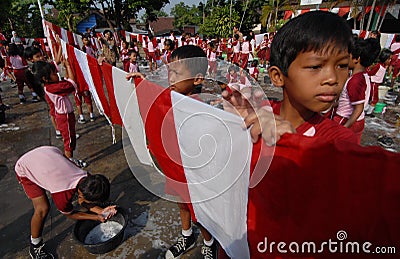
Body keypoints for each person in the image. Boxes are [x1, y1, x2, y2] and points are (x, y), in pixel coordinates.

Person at [127, 45, 218, 259]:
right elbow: (155, 99)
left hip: (195, 173)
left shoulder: (201, 106)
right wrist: (143, 82)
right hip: (174, 167)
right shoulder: (169, 96)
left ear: (197, 79)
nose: (170, 77)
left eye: (176, 73)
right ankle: (186, 235)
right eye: (169, 71)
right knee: (181, 202)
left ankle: (209, 241)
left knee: (199, 212)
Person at [224, 11, 358, 145]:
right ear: (277, 76)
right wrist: (234, 125)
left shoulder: (339, 142)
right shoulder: (257, 111)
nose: (332, 79)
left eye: (342, 66)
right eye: (315, 67)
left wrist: (293, 146)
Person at [14, 145, 117, 259]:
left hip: (48, 153)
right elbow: (71, 214)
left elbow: (83, 200)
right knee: (42, 209)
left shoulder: (88, 178)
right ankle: (35, 245)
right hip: (25, 166)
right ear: (81, 194)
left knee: (57, 184)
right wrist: (96, 217)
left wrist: (101, 211)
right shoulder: (62, 193)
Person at [32, 58, 85, 164]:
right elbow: (72, 84)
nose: (57, 74)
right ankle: (69, 162)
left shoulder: (50, 86)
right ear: (45, 78)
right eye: (53, 73)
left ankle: (70, 160)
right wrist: (68, 67)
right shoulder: (53, 88)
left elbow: (67, 82)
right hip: (64, 117)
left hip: (65, 115)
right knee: (69, 141)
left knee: (70, 138)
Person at [333, 38, 381, 143]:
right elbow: (350, 100)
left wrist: (344, 127)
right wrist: (335, 104)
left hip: (346, 119)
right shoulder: (364, 76)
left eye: (348, 56)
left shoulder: (355, 81)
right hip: (357, 121)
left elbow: (358, 108)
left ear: (356, 59)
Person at [366, 48, 393, 114]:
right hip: (373, 83)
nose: (390, 60)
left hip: (376, 84)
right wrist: (367, 70)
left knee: (374, 98)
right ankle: (368, 112)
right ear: (384, 58)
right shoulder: (378, 66)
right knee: (374, 99)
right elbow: (371, 73)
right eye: (389, 59)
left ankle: (368, 111)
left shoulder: (383, 66)